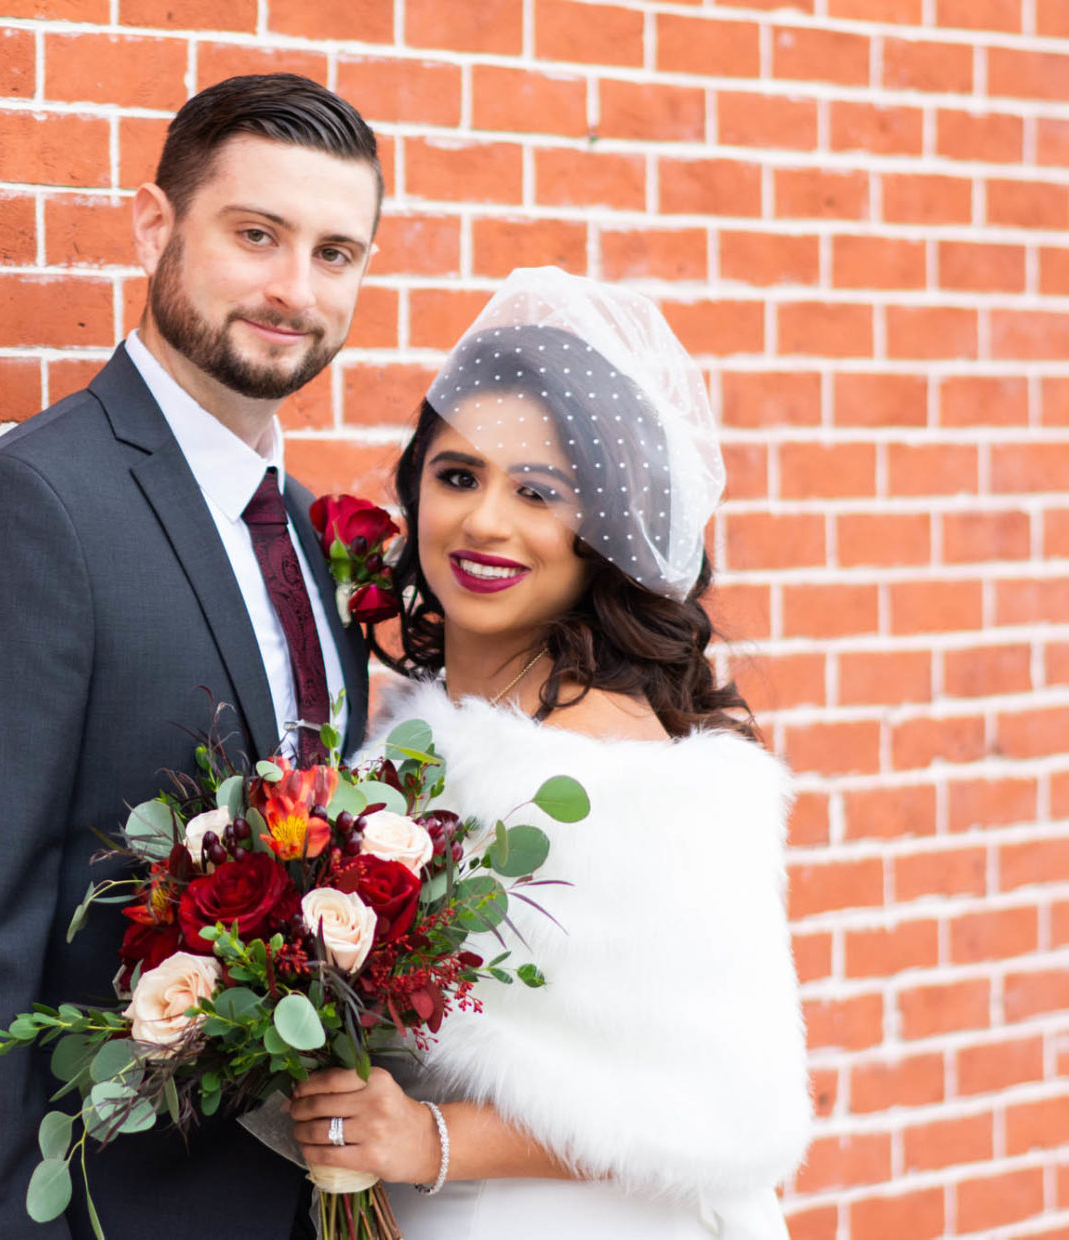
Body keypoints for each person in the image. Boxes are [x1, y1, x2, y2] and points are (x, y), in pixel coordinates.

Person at [0, 75, 381, 1239]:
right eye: (257, 235)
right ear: (156, 226)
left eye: (336, 252)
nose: (294, 290)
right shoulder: (28, 511)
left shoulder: (308, 532)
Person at [286, 267, 812, 1239]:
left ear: (600, 531)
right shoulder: (408, 743)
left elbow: (721, 1100)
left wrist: (430, 1140)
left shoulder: (637, 783)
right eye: (458, 476)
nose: (486, 520)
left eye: (538, 492)